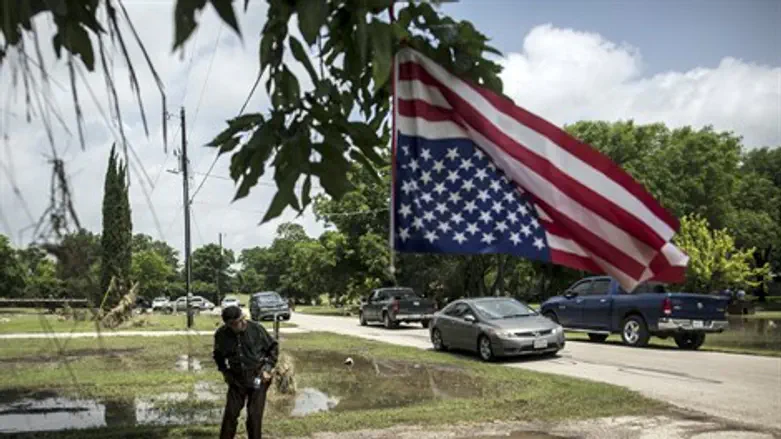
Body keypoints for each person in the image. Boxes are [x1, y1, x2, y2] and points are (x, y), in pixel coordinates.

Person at [213, 306, 279, 439]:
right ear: (229, 325)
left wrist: (267, 368)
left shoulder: (256, 329)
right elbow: (218, 356)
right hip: (236, 379)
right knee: (230, 415)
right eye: (238, 321)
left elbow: (273, 348)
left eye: (243, 318)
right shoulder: (221, 335)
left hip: (258, 377)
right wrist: (225, 372)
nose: (244, 322)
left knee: (254, 417)